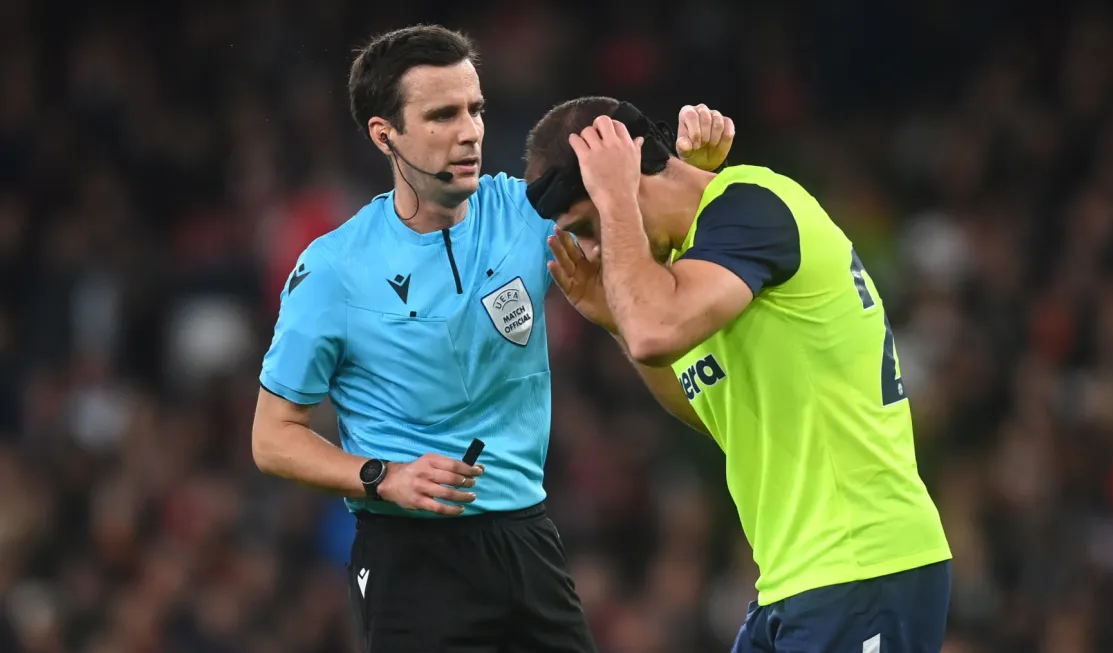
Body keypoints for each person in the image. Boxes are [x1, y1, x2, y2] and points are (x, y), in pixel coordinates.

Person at [249, 26, 735, 653]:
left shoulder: (526, 210)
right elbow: (271, 436)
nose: (469, 131)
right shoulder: (334, 269)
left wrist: (684, 170)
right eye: (442, 115)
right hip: (411, 557)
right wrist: (383, 477)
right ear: (384, 134)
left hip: (527, 539)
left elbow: (648, 253)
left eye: (475, 109)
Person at [524, 97, 952, 653]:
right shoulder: (703, 263)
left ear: (624, 180)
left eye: (590, 225)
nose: (595, 250)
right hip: (794, 581)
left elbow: (653, 330)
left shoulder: (750, 207)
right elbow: (710, 411)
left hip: (863, 564)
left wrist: (617, 206)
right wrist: (613, 321)